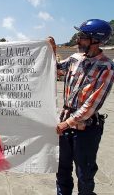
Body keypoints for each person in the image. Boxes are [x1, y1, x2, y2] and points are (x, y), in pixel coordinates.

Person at [49, 19, 114, 194]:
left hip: (86, 131)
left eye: (83, 37)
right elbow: (53, 70)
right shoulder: (75, 59)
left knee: (84, 175)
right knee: (62, 171)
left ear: (97, 40)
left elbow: (91, 105)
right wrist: (51, 50)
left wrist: (66, 123)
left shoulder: (106, 67)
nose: (78, 40)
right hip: (64, 126)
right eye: (79, 36)